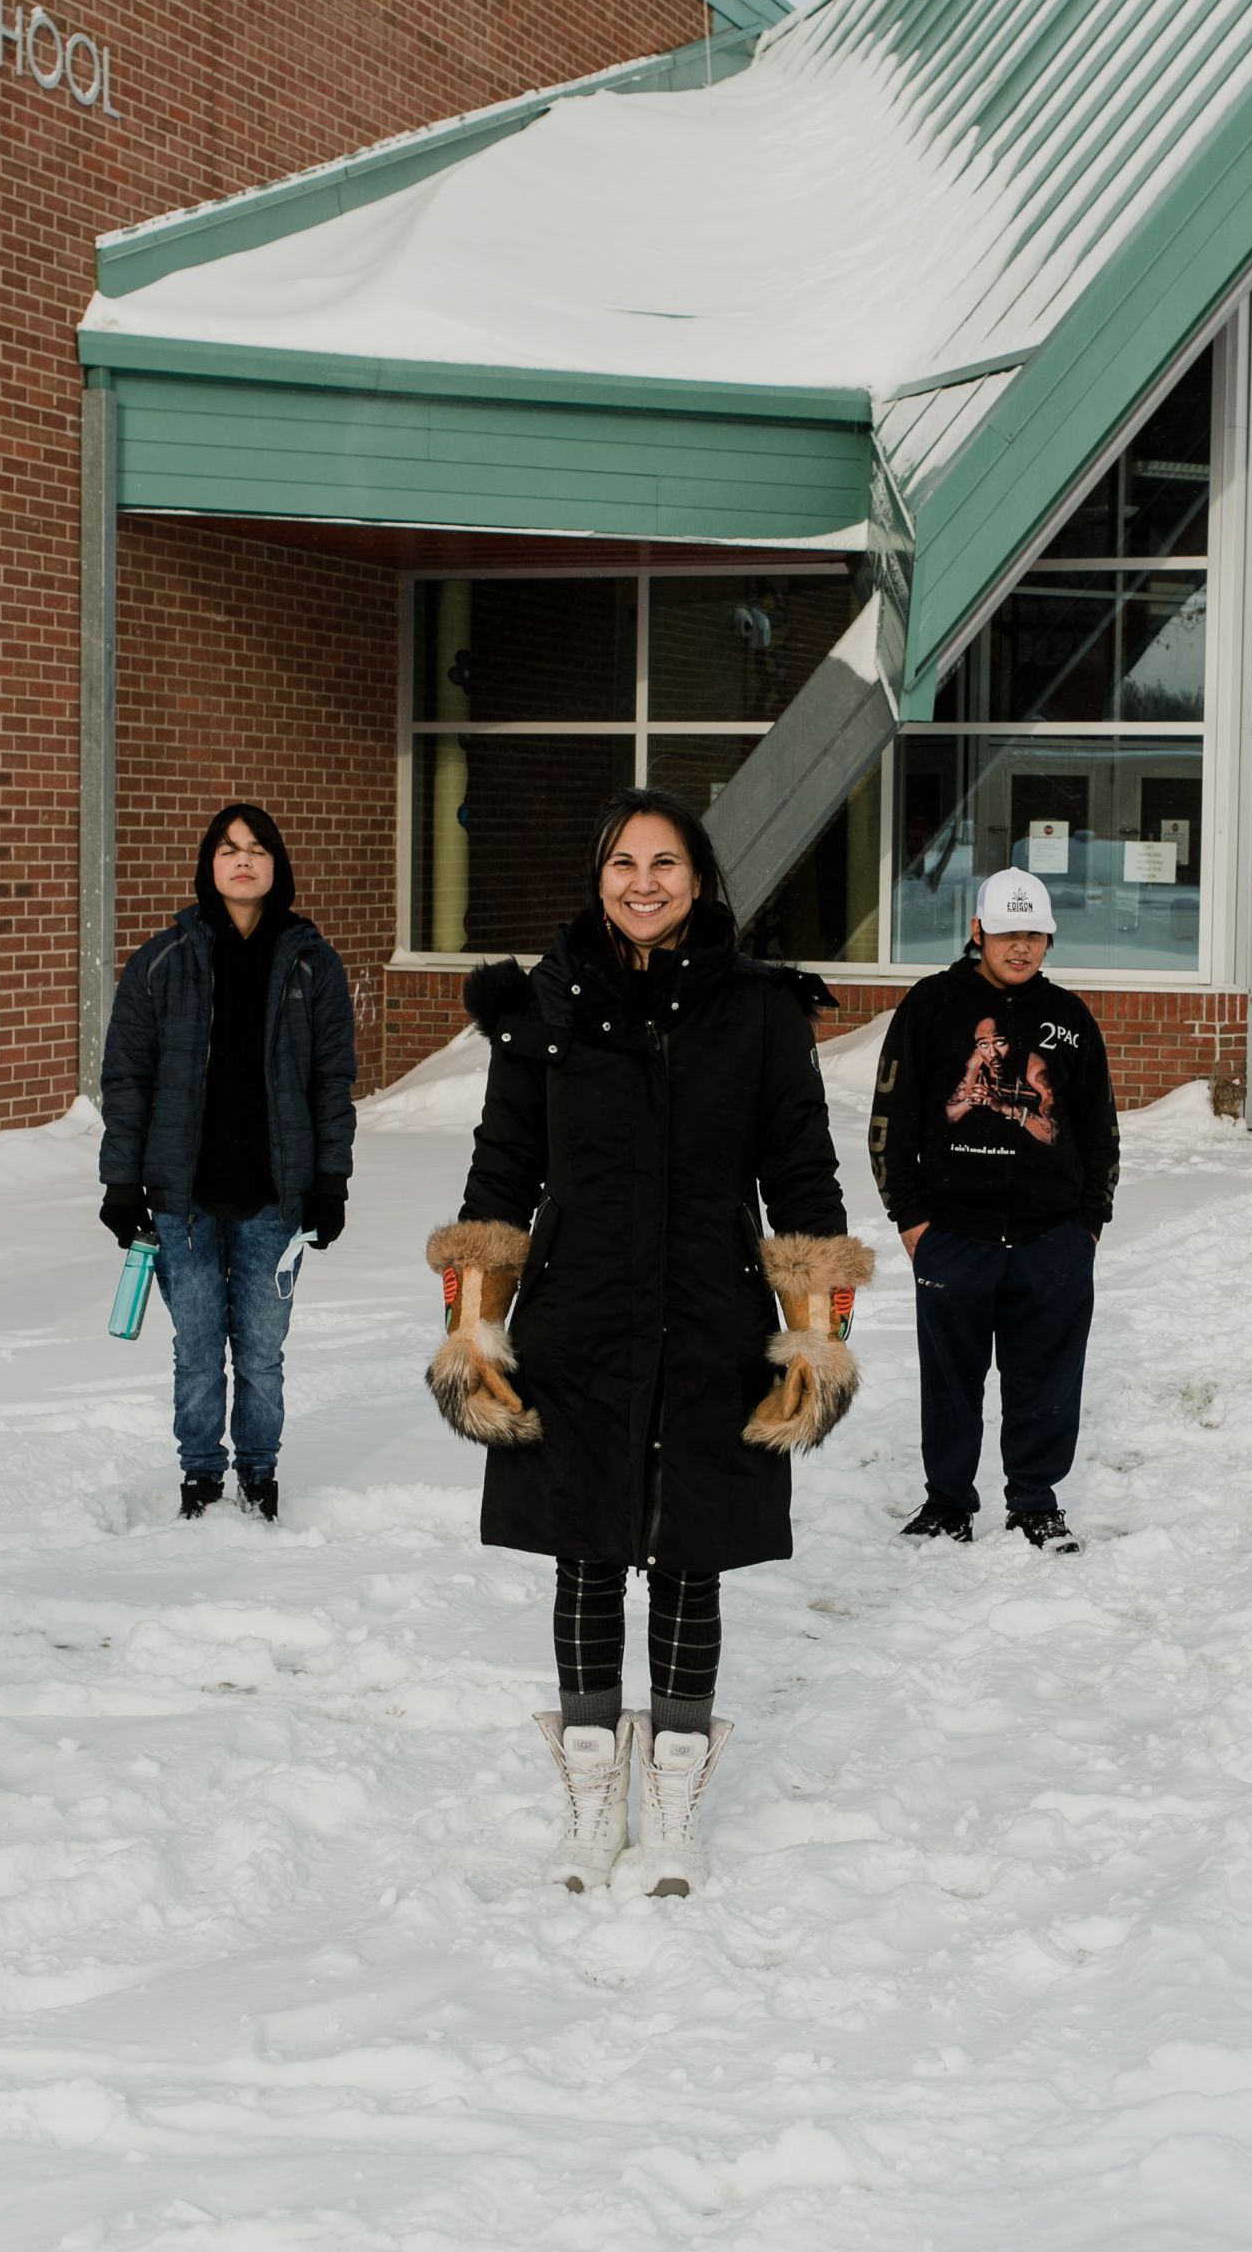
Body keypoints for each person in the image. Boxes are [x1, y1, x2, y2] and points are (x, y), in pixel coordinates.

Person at [427, 787, 863, 1896]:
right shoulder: (539, 1008)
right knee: (582, 1552)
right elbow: (500, 1174)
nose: (643, 882)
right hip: (577, 1320)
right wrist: (473, 1326)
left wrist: (816, 1341)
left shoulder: (759, 1011)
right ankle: (587, 1800)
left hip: (714, 1321)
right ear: (598, 876)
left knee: (689, 1556)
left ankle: (669, 1805)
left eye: (665, 862)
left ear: (701, 879)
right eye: (623, 861)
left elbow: (802, 1177)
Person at [96, 804, 357, 1523]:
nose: (242, 860)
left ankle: (261, 1471)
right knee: (197, 1350)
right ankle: (202, 1472)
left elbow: (331, 1083)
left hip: (278, 1197)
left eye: (256, 849)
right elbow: (128, 1080)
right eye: (227, 849)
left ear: (277, 865)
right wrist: (122, 1182)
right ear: (209, 866)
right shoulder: (161, 961)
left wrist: (331, 1182)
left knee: (264, 1352)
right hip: (183, 1198)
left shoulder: (313, 962)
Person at [870, 866, 1119, 1552]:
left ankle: (1035, 1503)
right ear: (976, 930)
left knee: (1046, 1378)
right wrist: (911, 1219)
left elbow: (1099, 1126)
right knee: (951, 1380)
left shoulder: (1068, 1016)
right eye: (1008, 932)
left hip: (1052, 1237)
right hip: (954, 1233)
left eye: (1035, 933)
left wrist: (1089, 1222)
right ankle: (948, 1503)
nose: (1022, 947)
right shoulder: (930, 1006)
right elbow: (891, 1118)